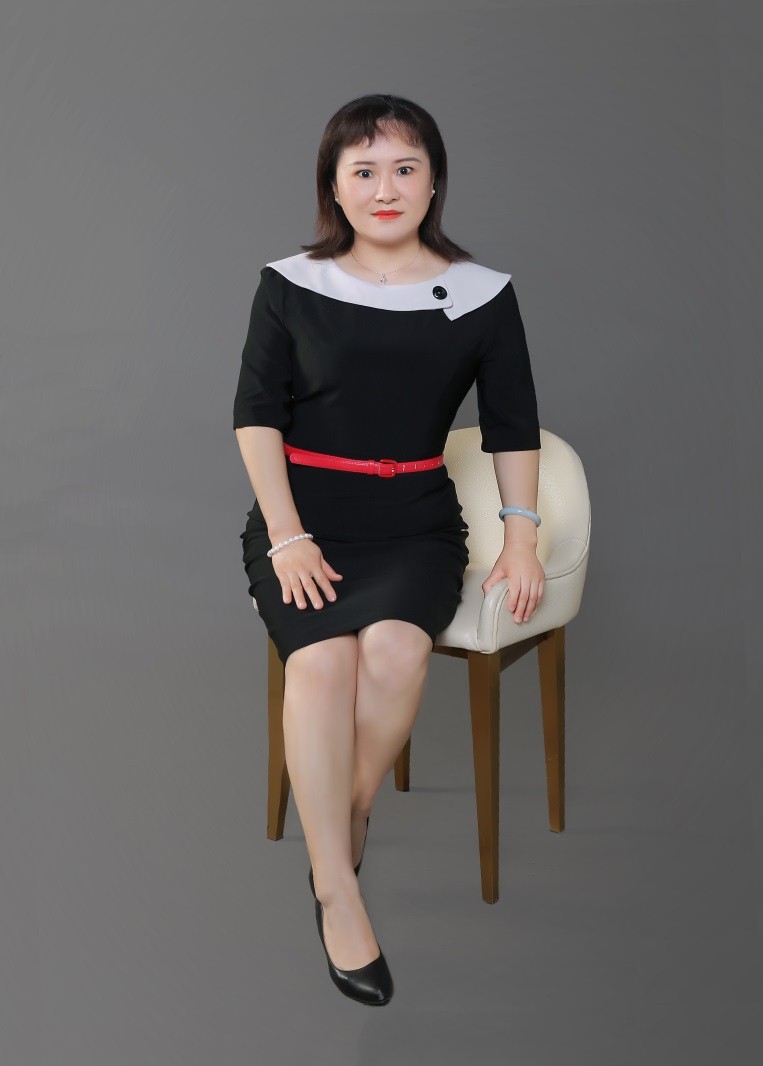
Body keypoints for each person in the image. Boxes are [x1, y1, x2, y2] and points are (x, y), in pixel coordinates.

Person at [233, 93, 544, 1006]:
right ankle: (338, 889)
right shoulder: (290, 283)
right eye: (362, 170)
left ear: (433, 181)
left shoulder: (482, 293)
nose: (385, 188)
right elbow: (255, 416)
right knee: (322, 664)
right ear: (333, 186)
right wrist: (287, 535)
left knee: (398, 650)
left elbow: (512, 426)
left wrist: (521, 538)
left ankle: (347, 811)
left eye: (404, 168)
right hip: (306, 514)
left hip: (413, 516)